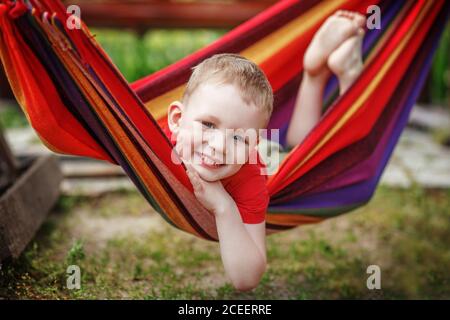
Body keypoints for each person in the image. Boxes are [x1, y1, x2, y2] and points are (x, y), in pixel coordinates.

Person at [163, 10, 366, 291]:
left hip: (272, 163)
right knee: (295, 144)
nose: (219, 146)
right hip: (266, 148)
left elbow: (246, 279)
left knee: (316, 156)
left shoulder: (250, 182)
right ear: (176, 120)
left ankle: (345, 76)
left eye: (237, 138)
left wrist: (224, 206)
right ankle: (315, 72)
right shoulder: (155, 141)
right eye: (208, 124)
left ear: (252, 145)